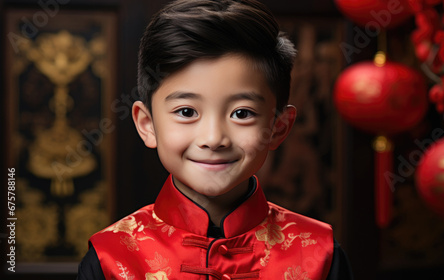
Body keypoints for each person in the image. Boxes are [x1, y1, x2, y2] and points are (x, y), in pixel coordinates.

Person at [77, 0, 353, 279]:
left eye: (242, 113)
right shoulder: (110, 258)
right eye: (186, 112)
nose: (213, 139)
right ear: (147, 124)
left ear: (278, 128)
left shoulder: (320, 255)